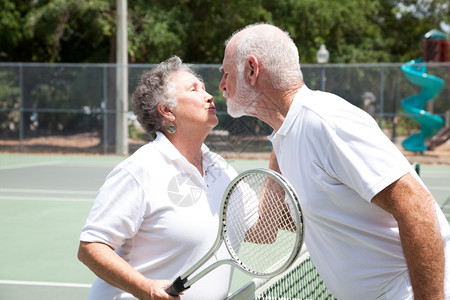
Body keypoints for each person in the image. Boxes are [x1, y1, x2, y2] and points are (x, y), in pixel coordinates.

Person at [219, 23, 450, 300]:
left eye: (226, 73)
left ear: (252, 70)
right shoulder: (284, 136)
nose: (221, 85)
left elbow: (417, 207)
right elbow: (274, 226)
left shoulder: (326, 121)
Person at [78, 56, 237, 300]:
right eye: (193, 89)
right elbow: (91, 248)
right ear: (166, 111)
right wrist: (144, 287)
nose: (208, 96)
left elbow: (263, 233)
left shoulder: (222, 169)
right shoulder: (140, 170)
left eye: (204, 89)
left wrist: (278, 132)